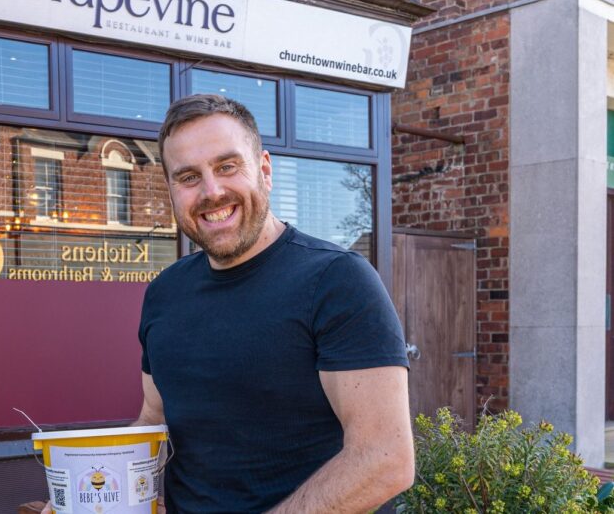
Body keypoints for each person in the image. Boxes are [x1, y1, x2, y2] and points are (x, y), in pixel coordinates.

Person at [44, 94, 414, 514]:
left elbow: (385, 460)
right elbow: (152, 420)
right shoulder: (165, 293)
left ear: (265, 170)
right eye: (188, 177)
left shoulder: (337, 280)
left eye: (226, 166)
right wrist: (79, 495)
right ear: (171, 190)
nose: (212, 191)